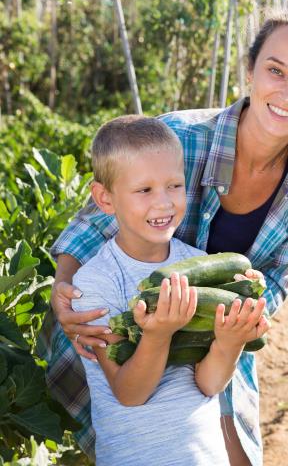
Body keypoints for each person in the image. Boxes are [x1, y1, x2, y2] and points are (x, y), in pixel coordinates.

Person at [40, 7, 288, 466]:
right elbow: (94, 221)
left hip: (210, 347)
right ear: (250, 70)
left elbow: (267, 291)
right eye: (276, 70)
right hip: (117, 329)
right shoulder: (177, 137)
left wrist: (230, 329)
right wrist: (63, 285)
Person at [71, 115, 269, 465]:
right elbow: (129, 392)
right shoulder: (94, 282)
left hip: (204, 455)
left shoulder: (200, 266)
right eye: (144, 190)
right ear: (104, 198)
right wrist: (158, 334)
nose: (163, 202)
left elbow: (208, 385)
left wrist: (229, 342)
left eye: (174, 186)